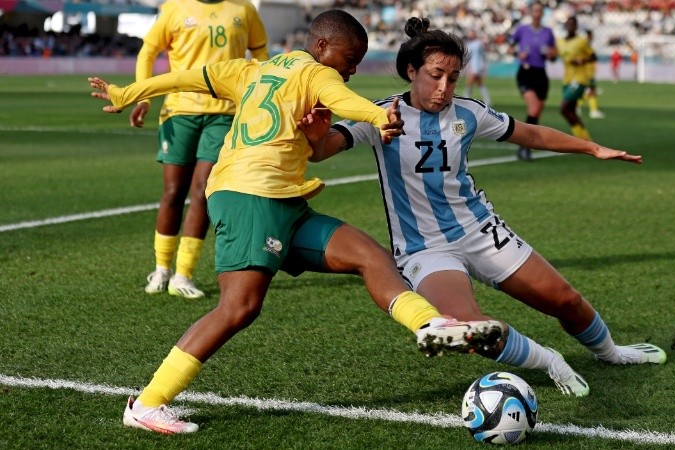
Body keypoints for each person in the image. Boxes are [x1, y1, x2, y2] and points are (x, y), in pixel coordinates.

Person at [89, 9, 503, 434]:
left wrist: (132, 92)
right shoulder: (316, 73)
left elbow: (186, 78)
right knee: (239, 307)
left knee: (369, 255)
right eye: (351, 57)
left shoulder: (254, 68)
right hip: (249, 196)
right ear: (322, 47)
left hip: (284, 199)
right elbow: (343, 100)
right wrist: (379, 116)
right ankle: (146, 403)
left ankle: (431, 325)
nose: (353, 68)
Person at [303, 17, 667, 398]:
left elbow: (530, 132)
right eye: (435, 75)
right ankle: (549, 360)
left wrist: (591, 147)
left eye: (453, 78)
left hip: (481, 230)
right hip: (425, 249)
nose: (444, 88)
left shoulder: (469, 114)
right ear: (411, 72)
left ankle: (612, 353)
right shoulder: (380, 116)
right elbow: (326, 148)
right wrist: (315, 139)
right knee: (466, 325)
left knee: (566, 301)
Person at [133, 0, 269, 299]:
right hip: (179, 110)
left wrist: (261, 89)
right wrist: (143, 96)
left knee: (202, 191)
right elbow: (148, 51)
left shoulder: (243, 9)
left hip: (224, 113)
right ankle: (162, 269)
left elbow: (259, 52)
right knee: (172, 192)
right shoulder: (175, 8)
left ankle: (183, 275)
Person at [508, 1, 556, 161]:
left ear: (543, 14)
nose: (537, 13)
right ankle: (525, 146)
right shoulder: (522, 30)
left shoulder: (548, 32)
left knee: (536, 113)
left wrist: (551, 54)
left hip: (541, 74)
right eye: (535, 10)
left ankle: (526, 144)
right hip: (526, 72)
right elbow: (509, 46)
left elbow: (554, 55)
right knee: (534, 108)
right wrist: (517, 54)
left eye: (540, 11)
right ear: (531, 13)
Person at [557, 16, 596, 141]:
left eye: (572, 24)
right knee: (571, 111)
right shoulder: (560, 42)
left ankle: (583, 139)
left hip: (579, 79)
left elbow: (593, 56)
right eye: (568, 24)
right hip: (567, 80)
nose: (570, 26)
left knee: (563, 108)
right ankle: (583, 138)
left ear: (576, 26)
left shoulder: (581, 41)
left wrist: (582, 60)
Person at [577, 29, 605, 119]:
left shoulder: (586, 46)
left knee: (586, 91)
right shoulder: (584, 47)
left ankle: (577, 106)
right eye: (590, 35)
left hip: (587, 72)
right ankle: (593, 111)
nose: (592, 37)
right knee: (591, 90)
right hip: (586, 72)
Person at [462, 29, 491, 106]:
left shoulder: (478, 43)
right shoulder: (469, 44)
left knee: (470, 82)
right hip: (472, 65)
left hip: (477, 65)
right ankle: (487, 99)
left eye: (472, 34)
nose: (470, 35)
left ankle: (466, 98)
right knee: (479, 83)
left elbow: (482, 54)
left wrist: (483, 65)